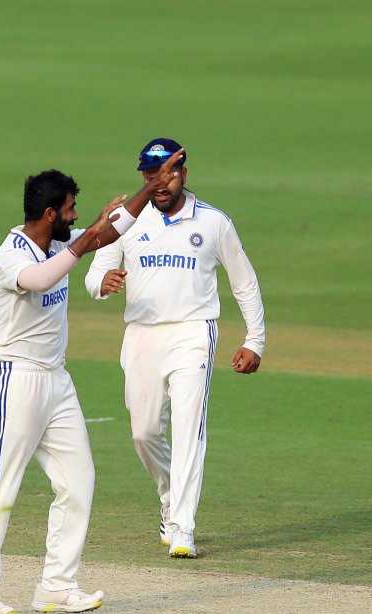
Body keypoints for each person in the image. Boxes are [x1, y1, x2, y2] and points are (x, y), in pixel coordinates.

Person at [0, 153, 183, 614]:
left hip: (56, 381)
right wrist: (85, 243)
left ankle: (56, 587)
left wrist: (149, 188)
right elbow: (41, 278)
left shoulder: (59, 244)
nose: (77, 217)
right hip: (14, 378)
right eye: (70, 210)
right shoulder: (13, 253)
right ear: (49, 215)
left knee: (79, 481)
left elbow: (109, 230)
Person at [85, 138, 266, 560]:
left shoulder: (214, 222)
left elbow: (245, 282)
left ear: (183, 173)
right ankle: (169, 496)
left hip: (193, 332)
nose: (158, 184)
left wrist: (254, 340)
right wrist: (104, 285)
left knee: (189, 429)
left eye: (165, 175)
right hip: (142, 335)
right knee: (143, 432)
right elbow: (94, 275)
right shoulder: (126, 220)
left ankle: (183, 526)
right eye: (150, 177)